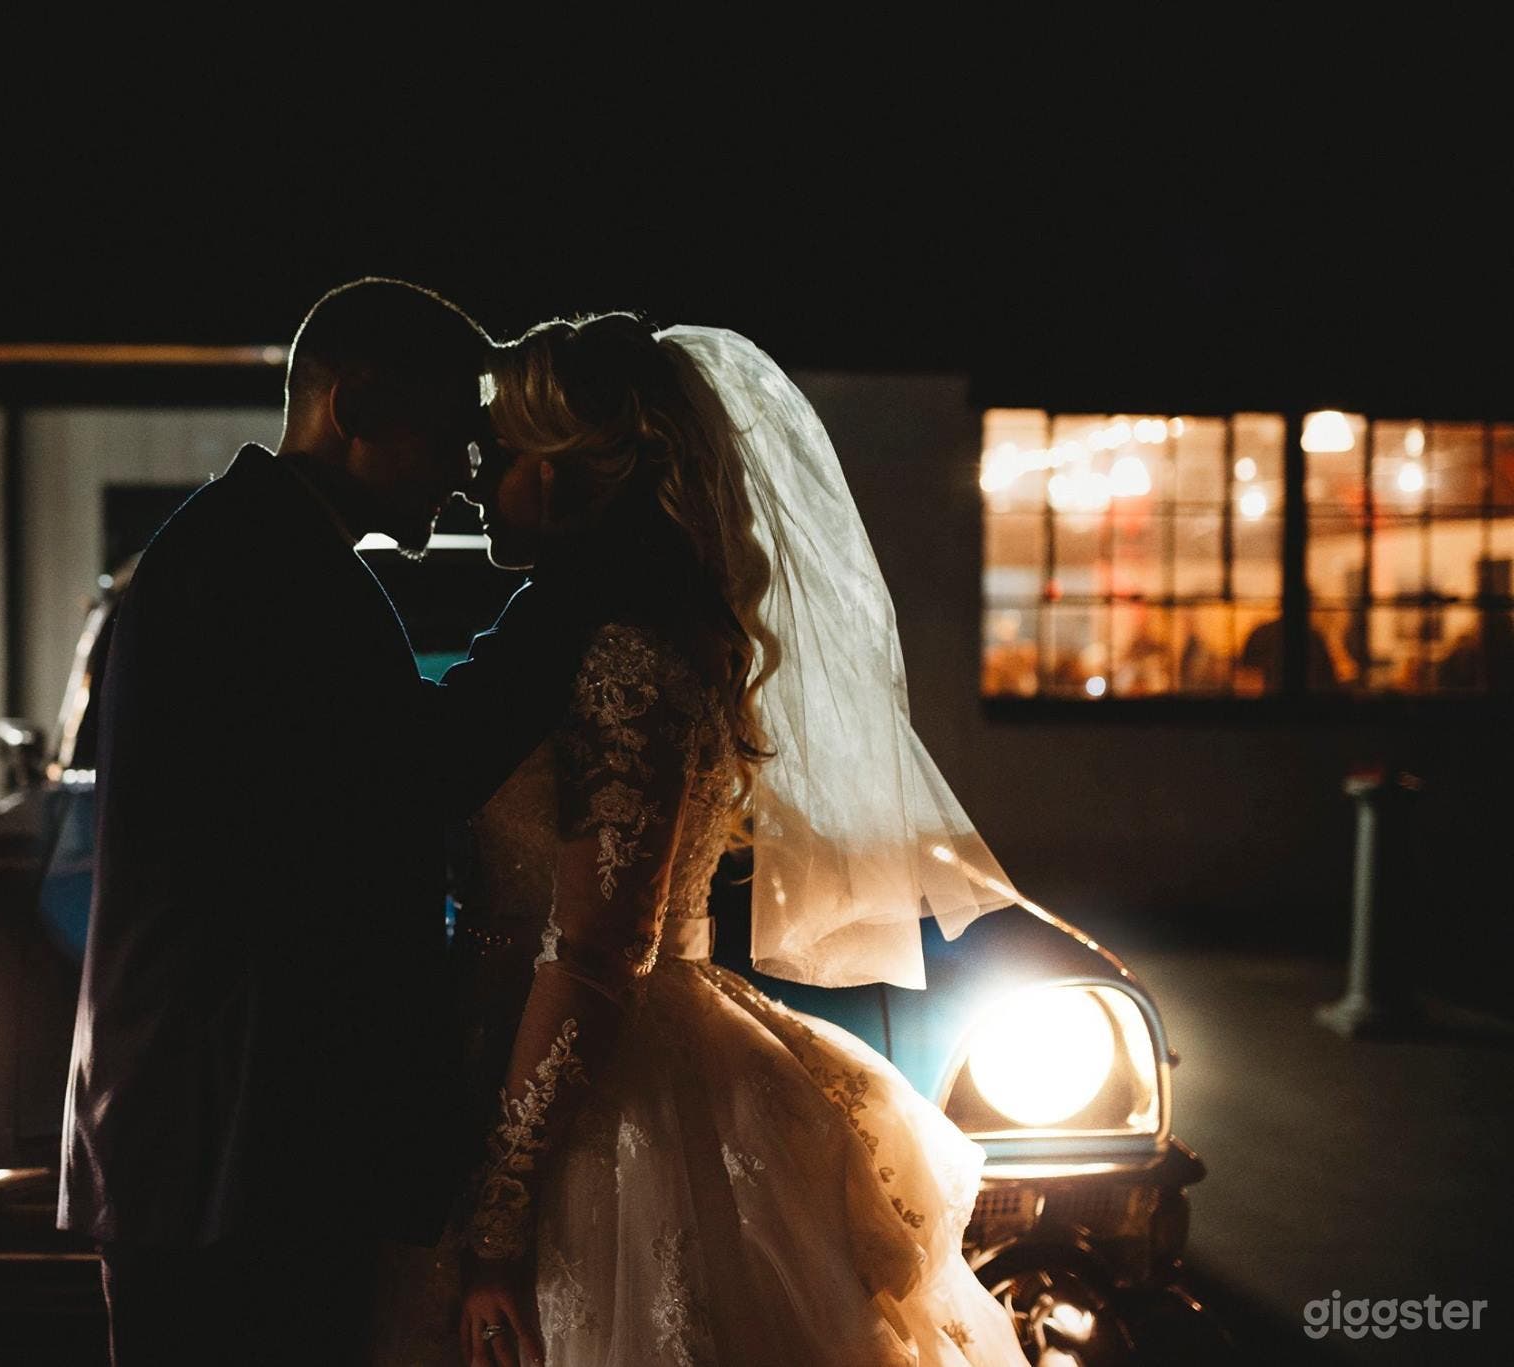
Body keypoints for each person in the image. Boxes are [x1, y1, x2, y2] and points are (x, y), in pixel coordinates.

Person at [384, 315, 1030, 1366]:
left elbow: (594, 949)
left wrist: (501, 1216)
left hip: (592, 1092)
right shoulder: (600, 630)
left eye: (497, 452)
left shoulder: (621, 654)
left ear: (561, 469)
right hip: (524, 1047)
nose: (474, 479)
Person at [60, 279, 586, 1366]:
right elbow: (421, 768)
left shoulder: (257, 544)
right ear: (354, 406)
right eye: (449, 433)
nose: (464, 472)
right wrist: (575, 595)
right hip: (228, 1157)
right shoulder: (260, 566)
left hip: (228, 1146)